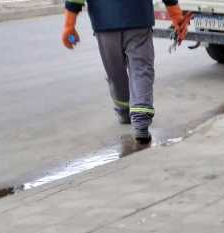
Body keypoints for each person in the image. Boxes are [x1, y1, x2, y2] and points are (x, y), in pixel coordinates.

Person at [61, 0, 188, 144]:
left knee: (115, 73)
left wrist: (69, 25)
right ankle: (140, 122)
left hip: (105, 23)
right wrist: (176, 15)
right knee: (141, 70)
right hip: (138, 19)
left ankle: (124, 111)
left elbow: (73, 1)